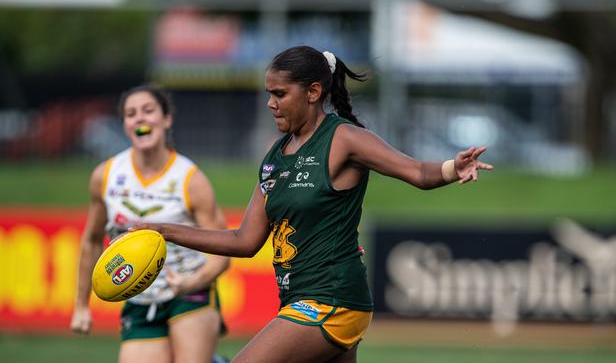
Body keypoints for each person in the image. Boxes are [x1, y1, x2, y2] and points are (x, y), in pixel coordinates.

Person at [134, 46, 493, 363]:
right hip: (300, 300)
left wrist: (451, 168)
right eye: (268, 94)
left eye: (279, 93)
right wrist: (164, 231)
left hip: (331, 300)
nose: (271, 103)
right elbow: (244, 241)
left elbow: (414, 170)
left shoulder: (342, 139)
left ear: (313, 92)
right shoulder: (275, 158)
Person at [70, 84, 231, 363]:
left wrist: (191, 282)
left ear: (166, 119)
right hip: (140, 298)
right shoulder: (105, 176)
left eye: (148, 110)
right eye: (131, 114)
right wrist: (81, 306)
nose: (140, 118)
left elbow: (222, 251)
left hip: (190, 292)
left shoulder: (190, 179)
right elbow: (92, 241)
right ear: (125, 125)